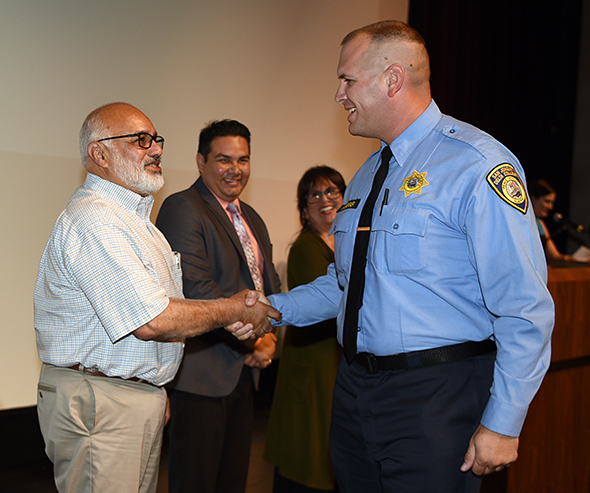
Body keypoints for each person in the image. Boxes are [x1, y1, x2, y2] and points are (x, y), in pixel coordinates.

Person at [229, 20, 554, 492]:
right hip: (356, 392)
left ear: (392, 80)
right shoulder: (364, 177)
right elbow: (347, 283)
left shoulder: (477, 166)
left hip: (438, 395)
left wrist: (503, 422)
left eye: (347, 80)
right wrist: (272, 311)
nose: (339, 95)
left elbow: (525, 309)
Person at [34, 103, 280, 493]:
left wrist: (154, 388)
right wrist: (234, 309)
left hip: (128, 396)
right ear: (100, 154)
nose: (157, 149)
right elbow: (152, 321)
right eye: (141, 140)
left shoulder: (136, 223)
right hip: (104, 401)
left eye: (157, 140)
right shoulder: (96, 219)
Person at [156, 119, 281, 493]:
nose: (236, 169)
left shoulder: (252, 217)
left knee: (232, 482)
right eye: (224, 159)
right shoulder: (182, 207)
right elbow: (198, 289)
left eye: (243, 160)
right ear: (200, 161)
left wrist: (271, 337)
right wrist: (255, 342)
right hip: (202, 377)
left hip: (244, 373)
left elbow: (268, 286)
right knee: (195, 483)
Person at [264, 166, 346, 492]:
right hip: (314, 364)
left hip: (335, 361)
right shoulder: (307, 248)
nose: (324, 200)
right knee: (308, 453)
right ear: (304, 206)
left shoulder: (345, 243)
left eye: (331, 192)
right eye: (315, 194)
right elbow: (331, 303)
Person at [529, 178, 575, 261]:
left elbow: (555, 257)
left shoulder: (540, 224)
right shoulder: (520, 222)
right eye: (547, 201)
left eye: (552, 202)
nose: (551, 207)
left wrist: (577, 260)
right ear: (532, 198)